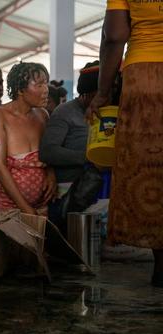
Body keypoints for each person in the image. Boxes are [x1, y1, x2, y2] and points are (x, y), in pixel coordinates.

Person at [86, 0, 163, 287]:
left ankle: (161, 263)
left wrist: (103, 93)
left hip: (144, 78)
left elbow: (115, 35)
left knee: (150, 168)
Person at [0, 62, 56, 215]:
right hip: (8, 206)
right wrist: (25, 208)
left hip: (41, 206)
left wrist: (51, 175)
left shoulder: (42, 115)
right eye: (39, 85)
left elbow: (48, 153)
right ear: (20, 90)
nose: (46, 90)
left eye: (46, 84)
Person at [40, 62, 100, 187]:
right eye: (97, 96)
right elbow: (48, 151)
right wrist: (89, 158)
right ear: (85, 94)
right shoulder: (64, 112)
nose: (103, 100)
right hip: (71, 188)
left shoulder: (109, 110)